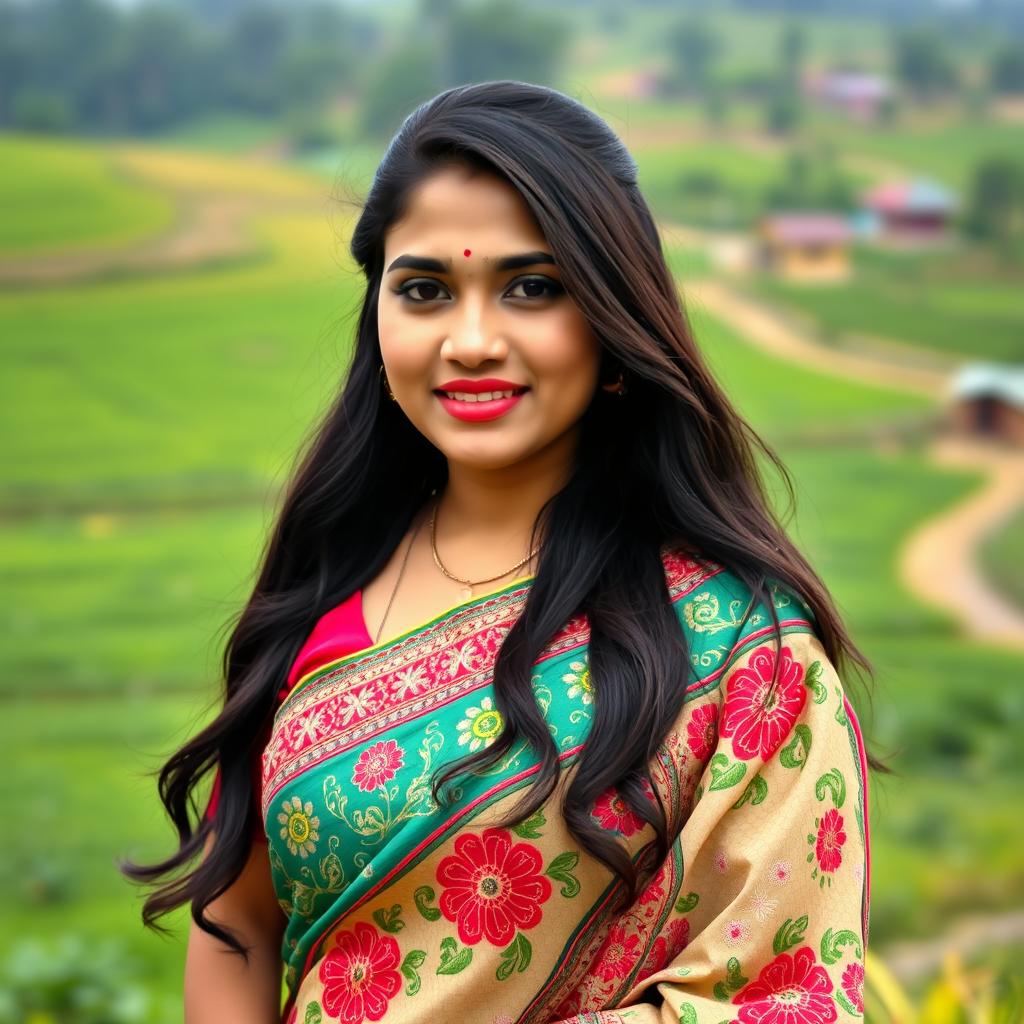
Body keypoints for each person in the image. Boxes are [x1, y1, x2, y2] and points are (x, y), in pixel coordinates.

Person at [123, 80, 883, 1023]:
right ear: (378, 317)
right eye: (426, 290)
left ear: (613, 319)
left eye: (533, 288)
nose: (472, 340)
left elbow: (784, 999)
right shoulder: (323, 591)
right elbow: (237, 927)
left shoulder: (744, 654)